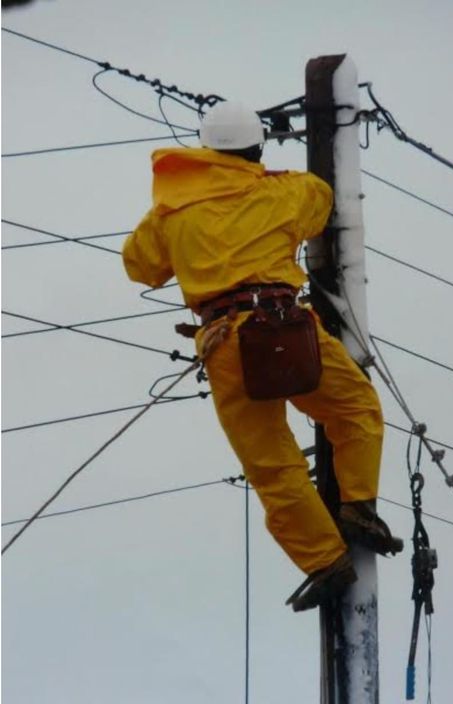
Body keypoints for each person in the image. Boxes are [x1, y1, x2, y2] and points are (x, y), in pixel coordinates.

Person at [122, 101, 402, 612]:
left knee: (271, 463)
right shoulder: (284, 192)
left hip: (224, 340)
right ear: (255, 148)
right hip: (286, 325)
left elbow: (139, 266)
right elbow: (319, 201)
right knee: (355, 408)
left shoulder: (170, 211)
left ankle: (325, 560)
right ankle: (358, 505)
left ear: (205, 151)